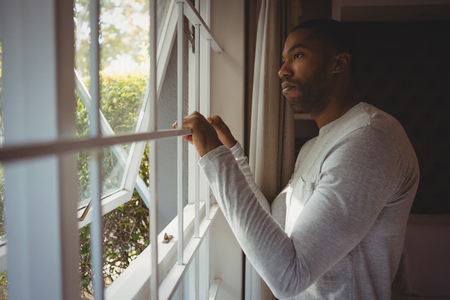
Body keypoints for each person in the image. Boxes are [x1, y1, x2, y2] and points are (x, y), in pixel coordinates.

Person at [178, 19, 419, 300]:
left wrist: (214, 158)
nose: (282, 70)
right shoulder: (314, 146)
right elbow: (274, 229)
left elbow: (288, 277)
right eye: (282, 60)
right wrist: (231, 153)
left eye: (298, 55)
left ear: (338, 63)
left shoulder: (371, 139)